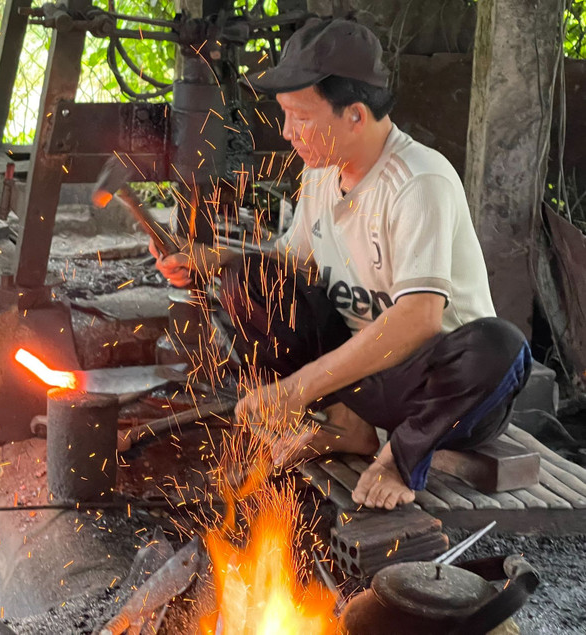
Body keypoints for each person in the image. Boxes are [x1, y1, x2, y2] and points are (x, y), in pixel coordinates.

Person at [151, 17, 532, 510]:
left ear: (354, 114)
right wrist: (217, 258)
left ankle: (398, 456)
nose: (288, 133)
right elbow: (292, 265)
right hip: (359, 380)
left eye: (300, 117)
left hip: (438, 395)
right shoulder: (321, 175)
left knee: (501, 345)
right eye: (285, 115)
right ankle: (346, 422)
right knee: (247, 280)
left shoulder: (420, 180)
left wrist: (295, 389)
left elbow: (419, 320)